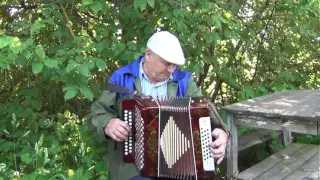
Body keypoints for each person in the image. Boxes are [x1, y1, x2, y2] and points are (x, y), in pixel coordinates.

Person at [86, 31, 230, 180]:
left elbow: (208, 113)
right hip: (133, 167)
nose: (171, 69)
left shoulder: (184, 82)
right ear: (148, 55)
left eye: (174, 65)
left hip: (179, 163)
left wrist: (222, 132)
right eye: (167, 63)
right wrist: (108, 123)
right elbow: (97, 112)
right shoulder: (122, 78)